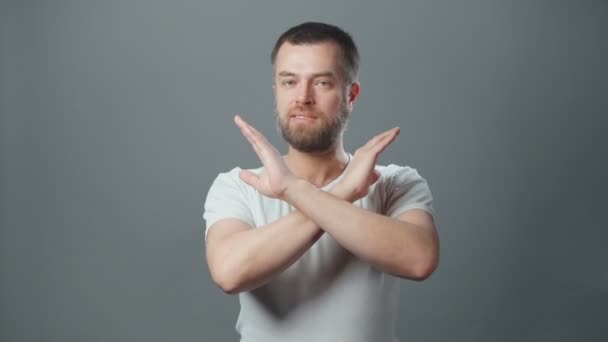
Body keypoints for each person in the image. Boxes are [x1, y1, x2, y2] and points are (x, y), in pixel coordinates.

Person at [203, 22, 439, 342]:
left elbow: (419, 259)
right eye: (289, 82)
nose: (302, 97)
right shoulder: (239, 185)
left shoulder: (393, 183)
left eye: (323, 82)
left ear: (350, 95)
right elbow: (230, 273)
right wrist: (342, 192)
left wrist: (293, 191)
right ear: (276, 90)